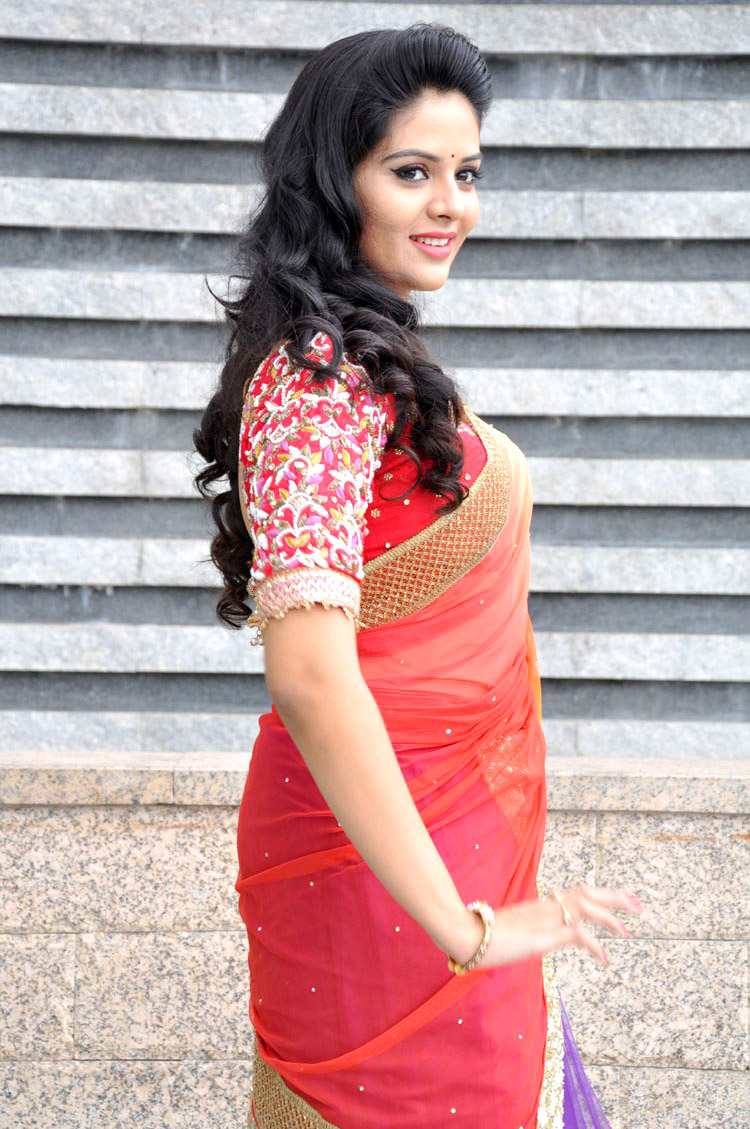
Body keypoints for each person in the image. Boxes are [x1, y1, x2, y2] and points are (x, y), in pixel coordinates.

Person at [193, 22, 643, 1129]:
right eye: (411, 172)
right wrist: (465, 927)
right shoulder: (317, 379)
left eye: (467, 173)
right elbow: (310, 672)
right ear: (332, 180)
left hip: (439, 833)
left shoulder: (365, 359)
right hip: (382, 868)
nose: (451, 205)